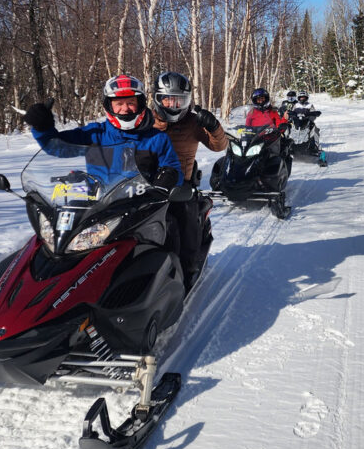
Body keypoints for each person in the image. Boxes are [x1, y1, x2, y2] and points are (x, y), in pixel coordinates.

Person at [22, 74, 183, 194]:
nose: (125, 109)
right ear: (109, 106)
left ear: (139, 104)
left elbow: (173, 169)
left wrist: (166, 180)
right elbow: (57, 148)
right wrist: (42, 127)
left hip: (142, 207)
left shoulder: (156, 138)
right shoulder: (95, 134)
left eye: (131, 103)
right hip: (99, 208)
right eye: (119, 104)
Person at [152, 71, 227, 289]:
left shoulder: (193, 122)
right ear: (158, 99)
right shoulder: (147, 121)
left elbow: (218, 146)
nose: (173, 105)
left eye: (179, 100)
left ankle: (188, 267)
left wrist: (213, 125)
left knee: (185, 226)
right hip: (146, 186)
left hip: (181, 187)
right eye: (167, 99)